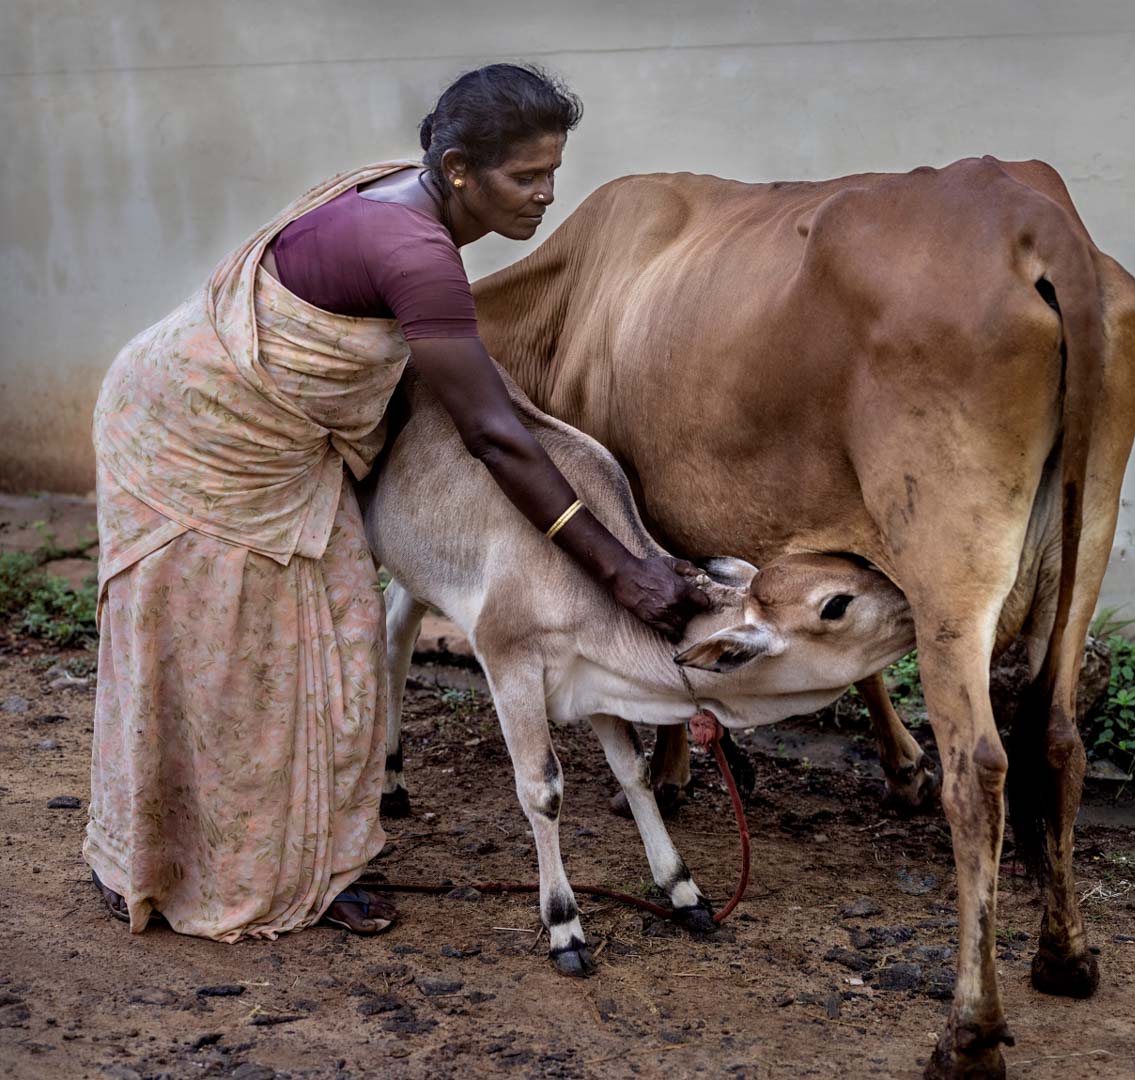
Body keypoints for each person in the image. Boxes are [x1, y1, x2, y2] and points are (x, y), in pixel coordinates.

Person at [86, 64, 709, 942]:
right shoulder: (416, 251)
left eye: (552, 172)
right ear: (457, 170)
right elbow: (493, 434)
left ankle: (314, 858)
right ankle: (172, 863)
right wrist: (621, 570)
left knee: (332, 640)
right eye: (525, 176)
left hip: (262, 436)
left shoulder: (407, 201)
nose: (545, 195)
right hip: (196, 436)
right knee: (222, 653)